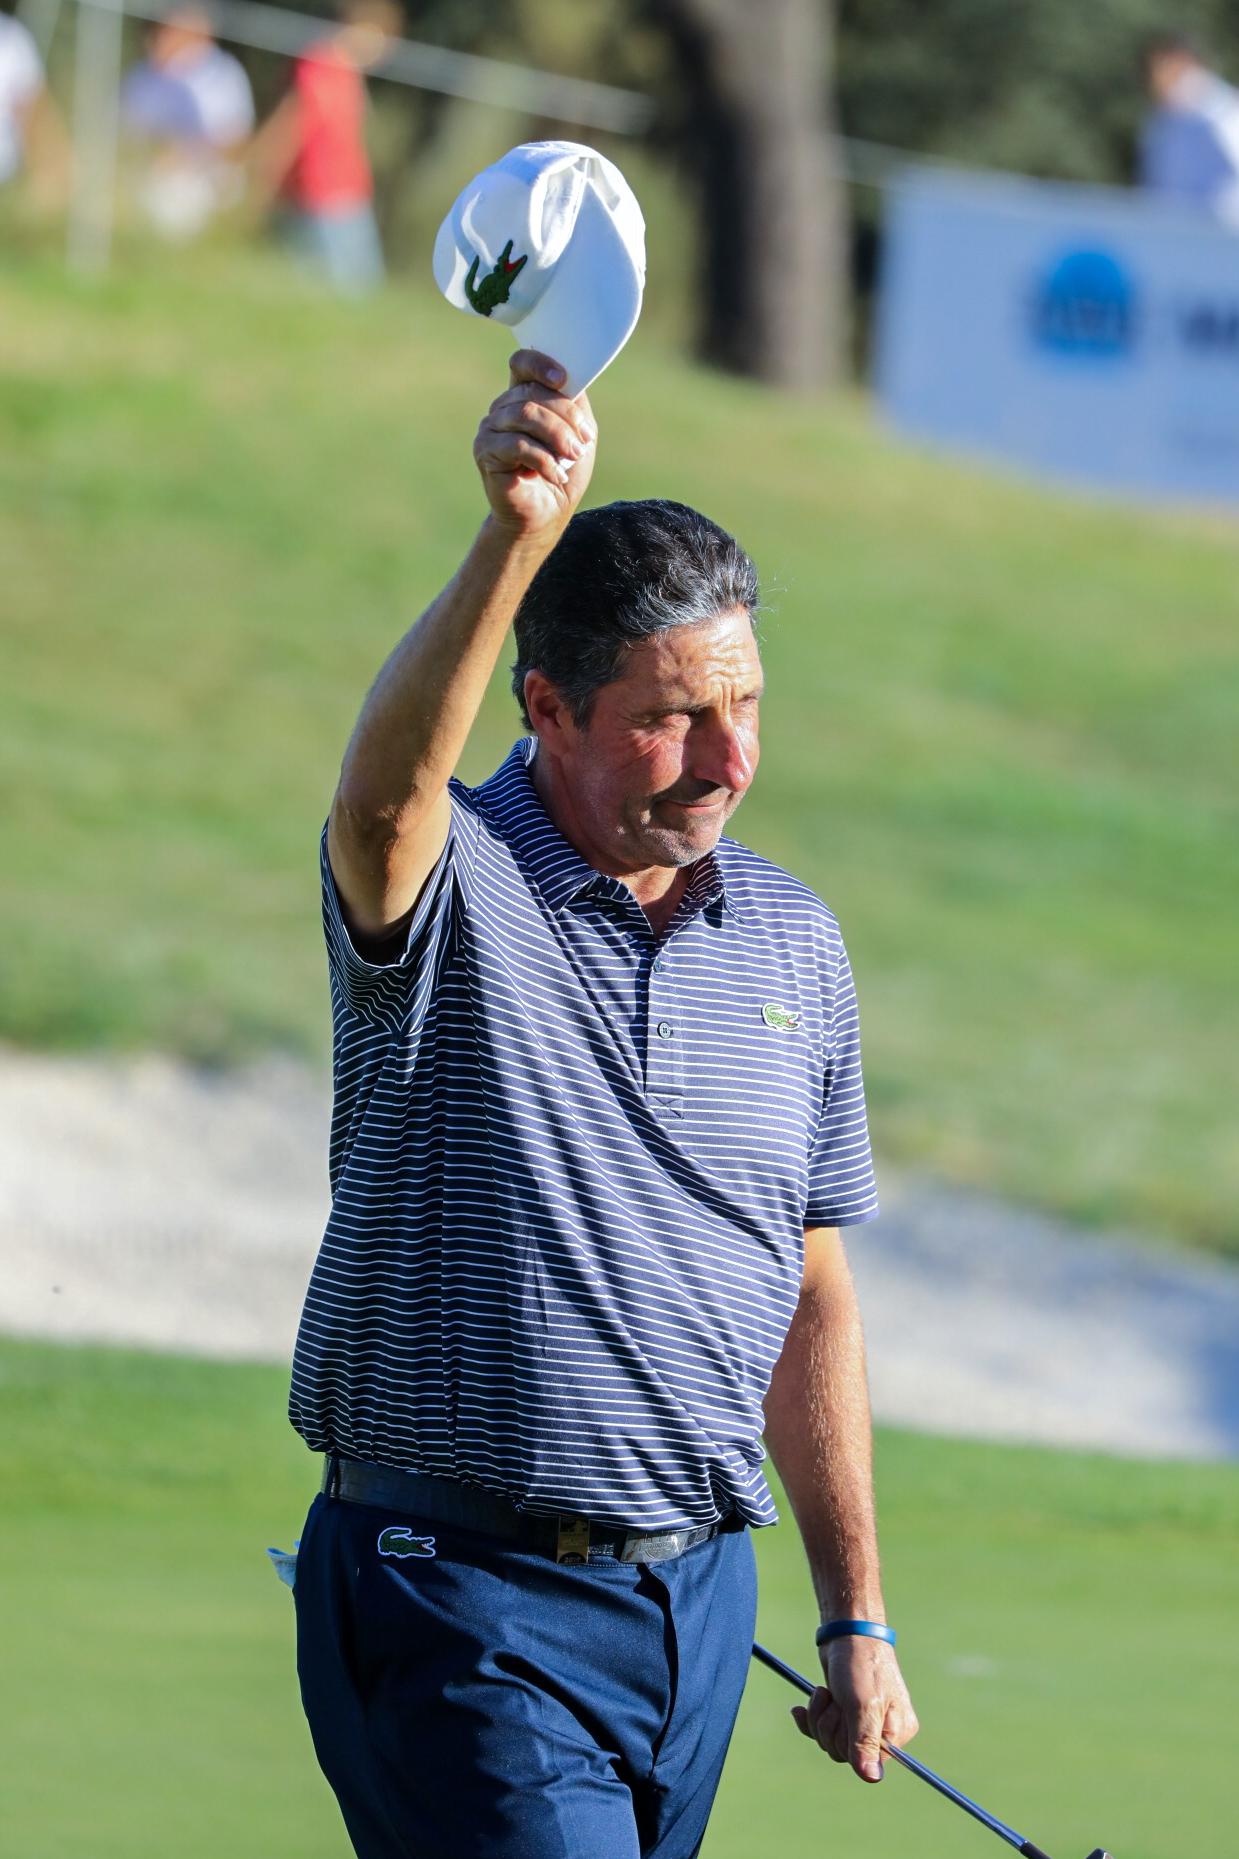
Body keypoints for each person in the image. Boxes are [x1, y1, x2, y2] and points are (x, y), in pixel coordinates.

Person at [288, 348, 919, 1859]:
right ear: (549, 705)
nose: (729, 758)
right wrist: (514, 530)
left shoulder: (791, 940)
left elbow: (809, 1289)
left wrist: (855, 1610)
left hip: (697, 1606)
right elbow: (380, 807)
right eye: (673, 716)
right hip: (457, 1584)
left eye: (747, 702)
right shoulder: (454, 886)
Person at [248, 0, 400, 294]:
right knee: (350, 291)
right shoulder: (322, 65)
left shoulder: (346, 70)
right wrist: (265, 172)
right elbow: (292, 122)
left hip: (347, 192)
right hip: (325, 194)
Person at [121, 3, 254, 239]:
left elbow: (237, 144)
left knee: (174, 203)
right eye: (161, 29)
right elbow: (124, 133)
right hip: (146, 173)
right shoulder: (143, 75)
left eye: (171, 30)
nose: (162, 37)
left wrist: (184, 153)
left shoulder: (223, 75)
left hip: (206, 180)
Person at [1139, 30, 1239, 229]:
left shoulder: (1221, 109)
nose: (1156, 78)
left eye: (1162, 67)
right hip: (1176, 230)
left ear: (1182, 62)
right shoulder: (1165, 118)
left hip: (1218, 235)